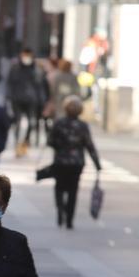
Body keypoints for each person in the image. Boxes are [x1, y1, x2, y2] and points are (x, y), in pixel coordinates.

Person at [46, 96, 101, 229]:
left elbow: (50, 141)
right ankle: (70, 220)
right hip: (77, 164)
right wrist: (97, 163)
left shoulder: (59, 123)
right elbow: (89, 145)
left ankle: (60, 210)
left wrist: (60, 147)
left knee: (59, 187)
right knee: (73, 190)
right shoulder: (83, 126)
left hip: (60, 162)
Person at [6, 47, 48, 153]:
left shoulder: (37, 69)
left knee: (32, 121)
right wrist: (8, 96)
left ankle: (26, 140)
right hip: (17, 98)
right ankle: (17, 141)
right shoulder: (15, 68)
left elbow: (41, 85)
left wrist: (42, 100)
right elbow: (9, 83)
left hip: (31, 99)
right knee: (17, 121)